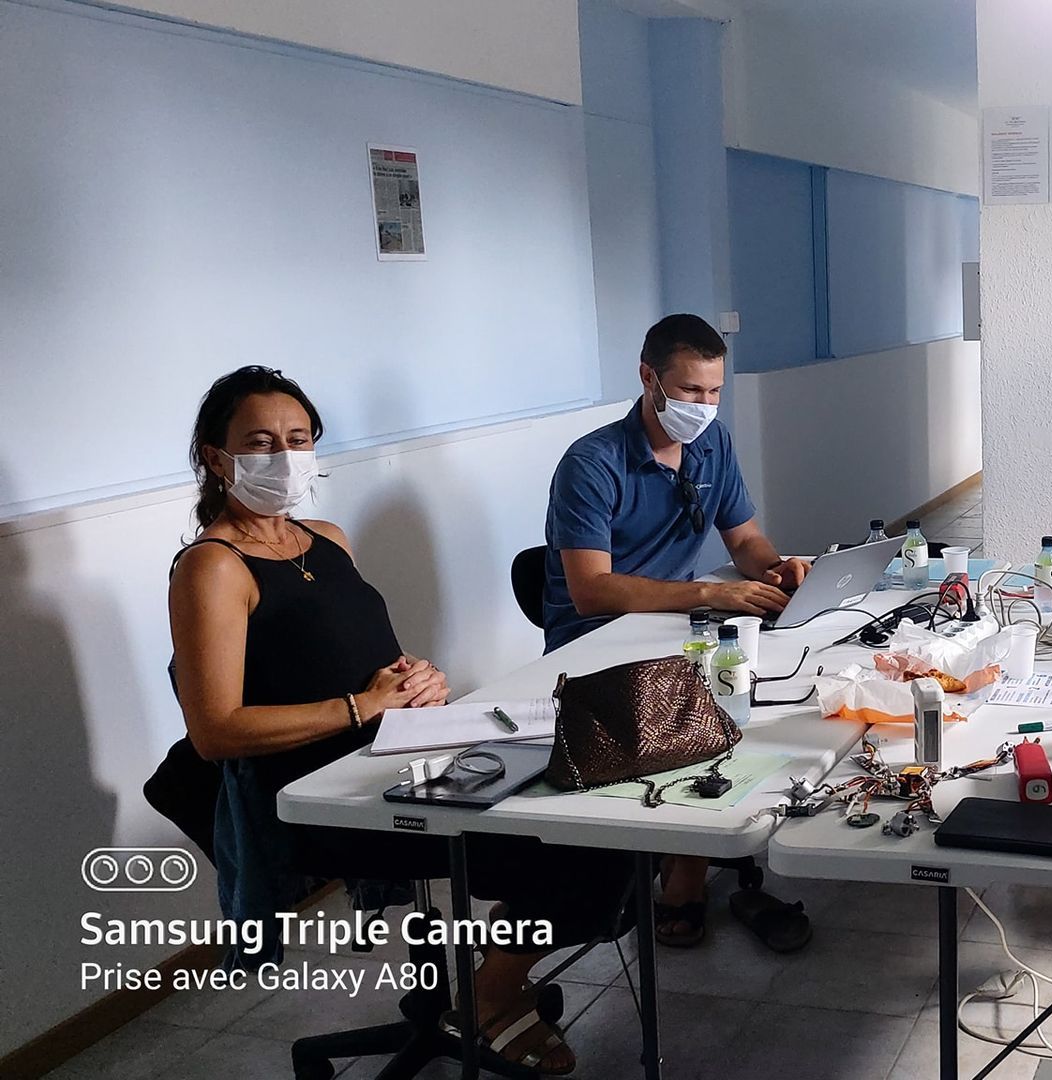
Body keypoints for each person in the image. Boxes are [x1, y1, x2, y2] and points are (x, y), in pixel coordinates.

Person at [168, 366, 634, 1075]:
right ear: (216, 456)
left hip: (401, 756)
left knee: (606, 806)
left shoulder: (326, 538)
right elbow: (215, 731)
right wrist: (364, 706)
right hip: (320, 798)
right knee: (581, 850)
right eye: (261, 442)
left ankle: (495, 974)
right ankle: (491, 995)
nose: (285, 456)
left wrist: (419, 677)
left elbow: (365, 659)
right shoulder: (213, 567)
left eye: (299, 438)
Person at [543, 313, 810, 953]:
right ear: (649, 378)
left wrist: (775, 567)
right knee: (701, 712)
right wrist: (711, 594)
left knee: (757, 691)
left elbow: (743, 539)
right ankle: (682, 873)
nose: (704, 405)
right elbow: (591, 590)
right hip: (599, 640)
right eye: (691, 390)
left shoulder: (713, 444)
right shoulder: (592, 463)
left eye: (715, 391)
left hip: (677, 625)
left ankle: (699, 838)